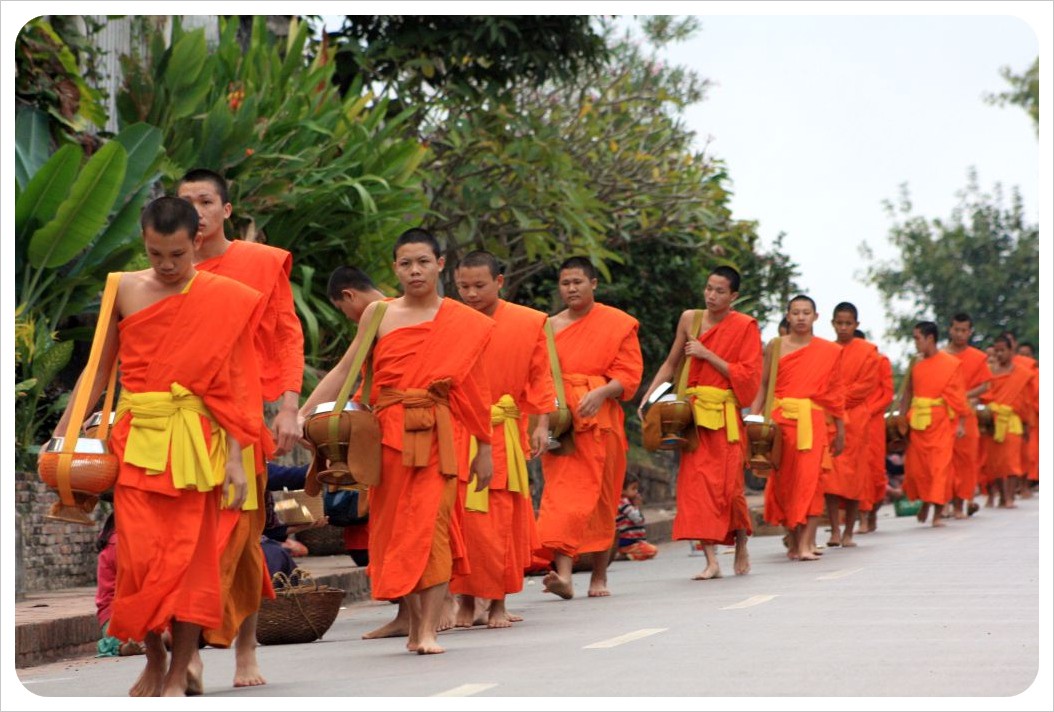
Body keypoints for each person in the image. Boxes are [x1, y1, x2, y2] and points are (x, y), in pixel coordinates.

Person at [51, 196, 263, 696]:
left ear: (197, 242)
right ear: (143, 243)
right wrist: (65, 432)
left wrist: (236, 459)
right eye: (155, 254)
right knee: (138, 560)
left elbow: (236, 382)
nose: (166, 266)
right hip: (137, 442)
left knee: (192, 562)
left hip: (196, 444)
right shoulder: (122, 288)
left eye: (177, 255)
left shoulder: (224, 296)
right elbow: (99, 369)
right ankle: (153, 658)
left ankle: (179, 670)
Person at [299, 228, 495, 655]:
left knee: (434, 528)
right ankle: (411, 624)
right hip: (386, 438)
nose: (415, 271)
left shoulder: (463, 321)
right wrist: (306, 410)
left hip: (441, 436)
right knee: (394, 532)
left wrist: (485, 447)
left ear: (440, 264)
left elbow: (475, 388)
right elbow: (345, 369)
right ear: (395, 269)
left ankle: (427, 628)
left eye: (423, 262)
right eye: (405, 264)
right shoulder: (379, 315)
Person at [177, 168, 304, 690]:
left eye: (206, 201)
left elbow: (285, 335)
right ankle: (191, 650)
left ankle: (245, 647)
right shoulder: (166, 267)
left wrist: (289, 405)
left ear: (226, 210)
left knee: (241, 537)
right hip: (181, 419)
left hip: (243, 416)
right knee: (187, 538)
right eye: (187, 203)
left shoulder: (258, 263)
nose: (197, 212)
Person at [450, 251, 555, 628]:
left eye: (479, 285)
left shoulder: (528, 322)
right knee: (463, 519)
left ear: (500, 281)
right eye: (463, 286)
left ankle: (496, 602)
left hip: (503, 430)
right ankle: (464, 600)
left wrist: (541, 425)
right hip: (459, 429)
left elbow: (540, 378)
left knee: (499, 521)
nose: (471, 294)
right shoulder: (448, 318)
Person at [637, 266, 760, 580]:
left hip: (725, 418)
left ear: (733, 296)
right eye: (709, 288)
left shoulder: (745, 326)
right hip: (692, 420)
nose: (712, 296)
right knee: (696, 490)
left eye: (720, 291)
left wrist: (708, 355)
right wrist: (648, 397)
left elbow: (748, 379)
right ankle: (711, 560)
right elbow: (671, 362)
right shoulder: (689, 319)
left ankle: (741, 541)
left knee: (730, 490)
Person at [535, 256, 643, 599]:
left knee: (602, 501)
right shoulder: (547, 327)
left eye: (578, 282)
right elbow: (538, 376)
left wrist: (602, 391)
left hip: (603, 423)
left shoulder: (618, 323)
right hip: (563, 424)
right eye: (565, 283)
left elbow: (628, 375)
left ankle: (599, 576)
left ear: (593, 284)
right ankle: (564, 575)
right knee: (561, 497)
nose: (571, 289)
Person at [751, 295, 845, 562]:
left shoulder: (829, 351)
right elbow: (763, 384)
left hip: (812, 423)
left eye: (806, 312)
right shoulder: (775, 346)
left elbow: (836, 393)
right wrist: (755, 417)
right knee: (783, 484)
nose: (801, 317)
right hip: (779, 421)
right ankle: (793, 541)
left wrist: (841, 429)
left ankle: (805, 543)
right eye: (796, 312)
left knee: (811, 482)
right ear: (788, 316)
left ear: (815, 317)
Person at [898, 321, 969, 528]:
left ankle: (937, 512)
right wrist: (901, 419)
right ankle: (926, 502)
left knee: (940, 468)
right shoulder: (916, 363)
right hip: (918, 422)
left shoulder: (950, 364)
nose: (915, 343)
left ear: (930, 338)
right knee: (918, 470)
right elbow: (908, 393)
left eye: (917, 338)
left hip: (940, 424)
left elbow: (958, 396)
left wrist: (962, 423)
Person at [823, 303, 879, 548]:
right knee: (831, 479)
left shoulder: (868, 351)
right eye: (839, 323)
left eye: (848, 323)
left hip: (856, 419)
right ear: (833, 323)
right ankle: (834, 530)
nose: (844, 327)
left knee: (855, 478)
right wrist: (832, 400)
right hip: (830, 419)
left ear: (856, 325)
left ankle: (849, 532)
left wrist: (837, 397)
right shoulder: (824, 350)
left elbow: (866, 386)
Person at [943, 313, 992, 519]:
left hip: (967, 413)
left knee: (966, 461)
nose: (960, 334)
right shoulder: (942, 356)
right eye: (957, 329)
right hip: (945, 414)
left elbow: (986, 385)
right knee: (945, 460)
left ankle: (959, 504)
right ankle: (943, 502)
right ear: (950, 330)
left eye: (964, 330)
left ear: (970, 332)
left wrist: (964, 395)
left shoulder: (978, 357)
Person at [979, 335, 1037, 509]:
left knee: (1012, 461)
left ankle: (1010, 496)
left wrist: (1027, 425)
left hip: (1013, 421)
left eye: (1003, 350)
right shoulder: (990, 372)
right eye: (996, 350)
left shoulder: (1022, 374)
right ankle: (1002, 496)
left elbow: (1026, 402)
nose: (999, 354)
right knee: (995, 462)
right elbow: (985, 396)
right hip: (993, 421)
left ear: (1012, 351)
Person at [94, 510, 144, 658]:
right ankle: (127, 645)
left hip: (110, 616)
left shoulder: (113, 537)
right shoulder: (122, 541)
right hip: (120, 616)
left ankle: (127, 644)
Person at [858, 343, 894, 534]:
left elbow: (888, 394)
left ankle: (872, 513)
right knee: (858, 470)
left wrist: (868, 411)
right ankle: (862, 516)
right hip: (852, 422)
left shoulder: (880, 362)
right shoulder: (842, 357)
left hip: (874, 423)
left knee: (876, 472)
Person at [615, 474, 659, 561]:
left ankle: (625, 552)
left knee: (650, 549)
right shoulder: (623, 503)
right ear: (622, 490)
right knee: (652, 550)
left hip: (630, 540)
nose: (636, 492)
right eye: (633, 488)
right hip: (628, 541)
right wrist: (636, 505)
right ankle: (627, 555)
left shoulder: (624, 502)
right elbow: (638, 519)